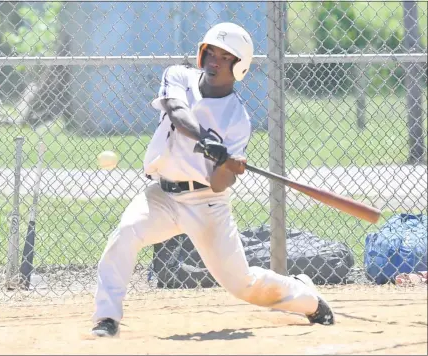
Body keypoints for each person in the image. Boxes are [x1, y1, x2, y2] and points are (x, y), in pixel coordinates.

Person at [91, 22, 335, 337]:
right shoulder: (177, 76)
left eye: (225, 56)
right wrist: (206, 138)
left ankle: (307, 298)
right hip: (161, 195)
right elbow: (177, 110)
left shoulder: (237, 119)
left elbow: (219, 184)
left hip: (206, 204)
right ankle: (106, 318)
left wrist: (229, 167)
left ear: (240, 66)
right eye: (210, 52)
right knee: (124, 234)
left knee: (242, 285)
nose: (214, 60)